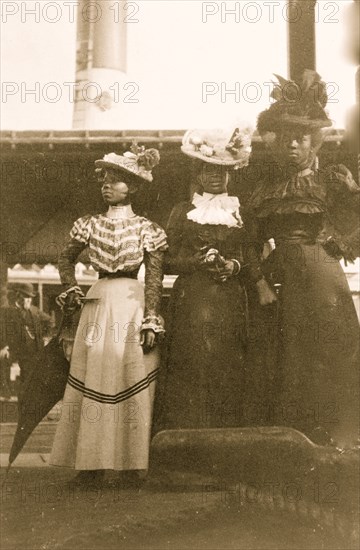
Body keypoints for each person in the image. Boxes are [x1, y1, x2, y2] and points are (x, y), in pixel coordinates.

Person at [244, 71, 360, 449]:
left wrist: (340, 241)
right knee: (286, 354)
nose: (292, 146)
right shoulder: (266, 189)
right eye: (285, 139)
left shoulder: (331, 181)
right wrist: (260, 283)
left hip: (323, 274)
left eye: (301, 139)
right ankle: (291, 439)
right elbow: (249, 241)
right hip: (281, 276)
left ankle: (338, 435)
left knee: (330, 349)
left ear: (314, 142)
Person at [50, 144, 167, 486]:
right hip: (98, 303)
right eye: (104, 178)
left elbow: (156, 277)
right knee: (94, 379)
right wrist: (72, 288)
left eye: (116, 180)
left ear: (132, 186)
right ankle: (89, 466)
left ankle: (133, 467)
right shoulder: (88, 224)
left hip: (132, 304)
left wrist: (151, 318)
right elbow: (64, 259)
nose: (107, 185)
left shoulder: (148, 228)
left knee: (130, 379)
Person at [154, 127, 261, 430]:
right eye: (209, 170)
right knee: (193, 363)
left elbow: (251, 254)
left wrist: (235, 266)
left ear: (230, 175)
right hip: (192, 298)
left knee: (227, 365)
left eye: (222, 171)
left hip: (230, 301)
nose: (215, 176)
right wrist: (195, 262)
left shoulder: (241, 211)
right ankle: (186, 436)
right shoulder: (182, 211)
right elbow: (165, 261)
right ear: (198, 173)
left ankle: (225, 438)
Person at [0, 283, 53, 392]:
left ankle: (26, 393)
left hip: (30, 349)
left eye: (30, 297)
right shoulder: (7, 310)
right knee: (3, 358)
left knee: (30, 375)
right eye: (26, 297)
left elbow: (50, 321)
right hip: (13, 348)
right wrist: (4, 346)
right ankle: (5, 392)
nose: (29, 300)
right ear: (19, 296)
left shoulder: (34, 311)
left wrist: (46, 337)